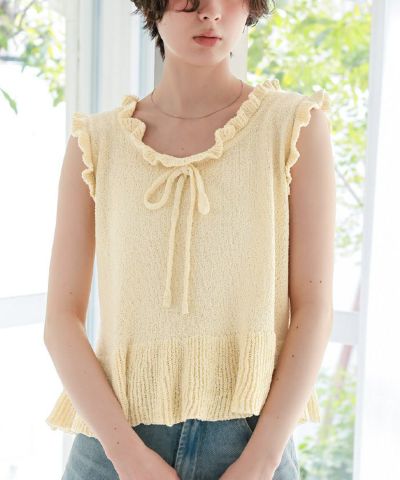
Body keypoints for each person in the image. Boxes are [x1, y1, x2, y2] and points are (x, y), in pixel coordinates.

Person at [44, 0, 336, 479]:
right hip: (113, 443)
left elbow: (314, 307)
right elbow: (60, 320)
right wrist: (128, 458)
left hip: (251, 442)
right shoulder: (96, 143)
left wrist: (261, 462)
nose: (211, 12)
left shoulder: (294, 127)